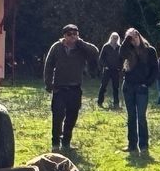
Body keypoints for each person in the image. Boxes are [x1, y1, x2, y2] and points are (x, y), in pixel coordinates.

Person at [42, 23, 98, 152]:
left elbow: (95, 52)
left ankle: (66, 142)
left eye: (75, 34)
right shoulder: (56, 47)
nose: (73, 36)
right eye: (70, 34)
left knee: (72, 116)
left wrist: (81, 42)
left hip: (75, 88)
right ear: (64, 36)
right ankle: (55, 143)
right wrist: (48, 83)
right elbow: (48, 65)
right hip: (59, 88)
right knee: (57, 116)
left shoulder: (81, 48)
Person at [120, 28, 157, 154]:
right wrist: (127, 39)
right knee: (131, 117)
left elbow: (155, 69)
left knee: (141, 117)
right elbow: (121, 53)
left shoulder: (150, 51)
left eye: (135, 36)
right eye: (131, 38)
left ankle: (144, 145)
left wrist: (147, 83)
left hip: (141, 87)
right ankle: (132, 144)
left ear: (139, 36)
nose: (134, 39)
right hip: (128, 86)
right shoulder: (128, 51)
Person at [97, 31, 122, 109]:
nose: (115, 39)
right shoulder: (106, 46)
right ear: (111, 38)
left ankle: (116, 103)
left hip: (115, 70)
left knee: (116, 87)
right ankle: (99, 102)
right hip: (107, 70)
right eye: (114, 38)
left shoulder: (119, 47)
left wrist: (120, 67)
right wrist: (105, 66)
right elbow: (101, 59)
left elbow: (122, 59)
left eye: (116, 38)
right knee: (103, 86)